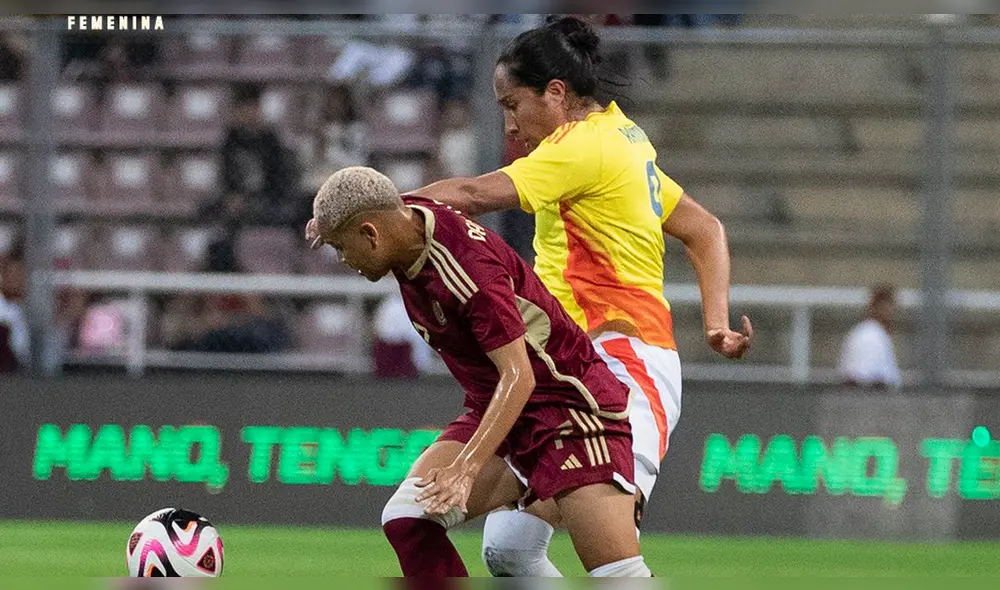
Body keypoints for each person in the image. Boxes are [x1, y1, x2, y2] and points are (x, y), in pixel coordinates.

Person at [397, 16, 752, 576]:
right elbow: (704, 227)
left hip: (624, 368)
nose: (510, 127)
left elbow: (466, 194)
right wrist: (715, 322)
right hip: (570, 368)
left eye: (513, 105)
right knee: (509, 550)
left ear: (556, 93)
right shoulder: (623, 137)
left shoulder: (582, 147)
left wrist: (374, 209)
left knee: (612, 562)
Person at [308, 166, 652, 577]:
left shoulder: (469, 273)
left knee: (617, 577)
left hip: (568, 412)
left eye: (341, 248)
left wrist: (465, 468)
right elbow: (381, 200)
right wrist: (329, 218)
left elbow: (519, 376)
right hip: (501, 411)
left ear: (370, 234)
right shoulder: (402, 223)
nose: (343, 260)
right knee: (408, 520)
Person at [839, 285, 902, 389]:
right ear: (874, 308)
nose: (890, 313)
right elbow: (863, 381)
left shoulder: (878, 334)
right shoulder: (868, 336)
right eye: (885, 307)